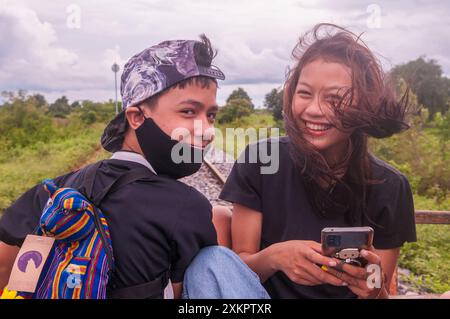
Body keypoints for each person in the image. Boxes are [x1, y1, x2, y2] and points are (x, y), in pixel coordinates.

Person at [184, 24, 417, 299]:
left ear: (364, 104)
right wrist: (275, 257)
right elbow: (234, 271)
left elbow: (381, 290)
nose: (313, 110)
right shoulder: (260, 159)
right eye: (304, 93)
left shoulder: (390, 186)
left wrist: (373, 288)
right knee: (207, 263)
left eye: (335, 98)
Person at [0, 35, 228, 299]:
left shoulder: (49, 192)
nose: (208, 130)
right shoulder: (187, 206)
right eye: (189, 112)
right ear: (136, 117)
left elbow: (5, 267)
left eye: (210, 115)